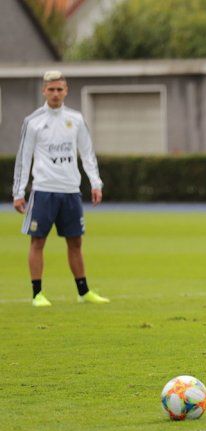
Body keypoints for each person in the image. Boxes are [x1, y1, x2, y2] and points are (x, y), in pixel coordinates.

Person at [12, 70, 109, 307]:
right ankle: (37, 294)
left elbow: (87, 154)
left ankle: (83, 291)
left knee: (75, 242)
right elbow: (24, 158)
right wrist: (19, 191)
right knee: (37, 242)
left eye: (59, 89)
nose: (55, 93)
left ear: (66, 91)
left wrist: (95, 183)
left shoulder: (75, 119)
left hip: (70, 191)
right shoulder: (33, 121)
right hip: (44, 190)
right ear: (43, 91)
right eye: (51, 89)